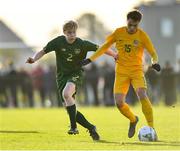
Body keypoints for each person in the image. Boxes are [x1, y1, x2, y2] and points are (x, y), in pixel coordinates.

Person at [26, 20, 117, 140]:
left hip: (76, 74)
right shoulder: (58, 42)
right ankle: (91, 128)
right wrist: (34, 59)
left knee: (66, 94)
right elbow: (43, 51)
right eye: (69, 33)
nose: (72, 35)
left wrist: (115, 55)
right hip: (61, 76)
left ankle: (73, 127)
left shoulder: (82, 44)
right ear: (64, 32)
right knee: (68, 107)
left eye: (74, 32)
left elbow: (101, 49)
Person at [80, 10, 161, 138]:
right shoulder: (118, 32)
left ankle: (151, 128)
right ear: (126, 21)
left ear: (138, 24)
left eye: (135, 25)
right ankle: (133, 119)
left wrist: (154, 62)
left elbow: (153, 53)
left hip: (136, 71)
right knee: (119, 103)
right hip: (121, 72)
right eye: (130, 25)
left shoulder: (142, 36)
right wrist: (90, 59)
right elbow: (104, 47)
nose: (132, 28)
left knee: (142, 93)